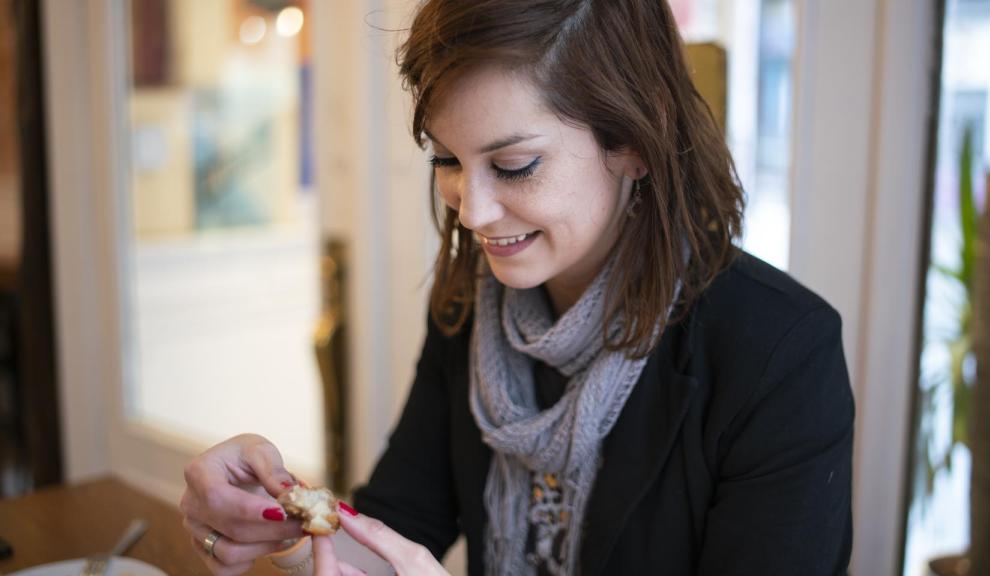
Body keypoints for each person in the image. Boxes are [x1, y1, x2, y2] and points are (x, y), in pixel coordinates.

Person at [179, 0, 855, 574]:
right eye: (447, 158)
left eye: (515, 165)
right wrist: (285, 526)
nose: (471, 212)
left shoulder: (780, 356)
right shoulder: (472, 307)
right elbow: (398, 526)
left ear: (634, 141)